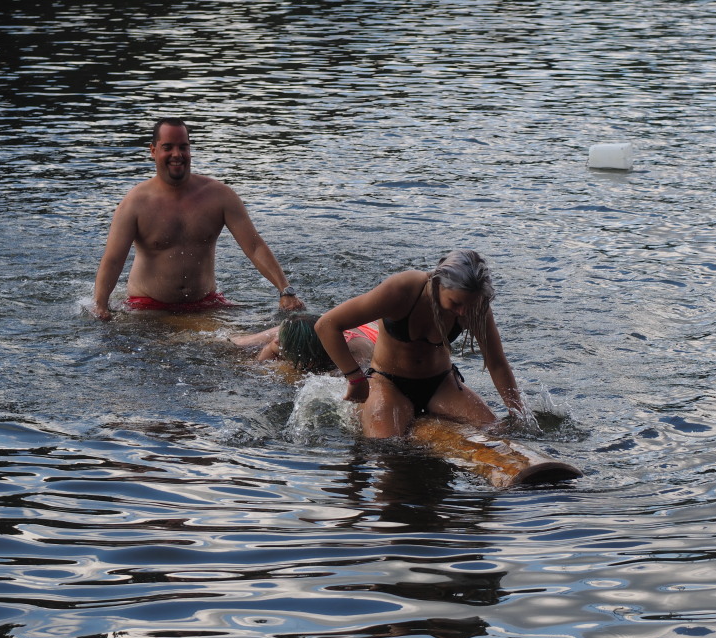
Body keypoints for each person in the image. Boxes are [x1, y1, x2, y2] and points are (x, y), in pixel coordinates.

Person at [91, 117, 304, 320]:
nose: (177, 154)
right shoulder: (134, 203)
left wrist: (285, 291)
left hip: (206, 304)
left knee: (269, 332)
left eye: (183, 147)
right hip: (147, 308)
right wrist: (100, 305)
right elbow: (113, 260)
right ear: (153, 151)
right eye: (168, 147)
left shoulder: (219, 196)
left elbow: (255, 246)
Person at [314, 249, 531, 438]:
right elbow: (327, 325)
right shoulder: (403, 290)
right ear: (438, 283)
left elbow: (497, 363)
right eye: (456, 303)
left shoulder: (477, 305)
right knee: (384, 450)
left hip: (442, 385)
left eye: (470, 305)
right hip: (389, 384)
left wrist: (518, 413)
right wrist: (356, 378)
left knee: (494, 435)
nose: (463, 312)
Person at [230, 313, 378, 373]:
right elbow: (265, 356)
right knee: (239, 343)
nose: (276, 341)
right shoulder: (280, 340)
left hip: (369, 328)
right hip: (311, 327)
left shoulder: (354, 352)